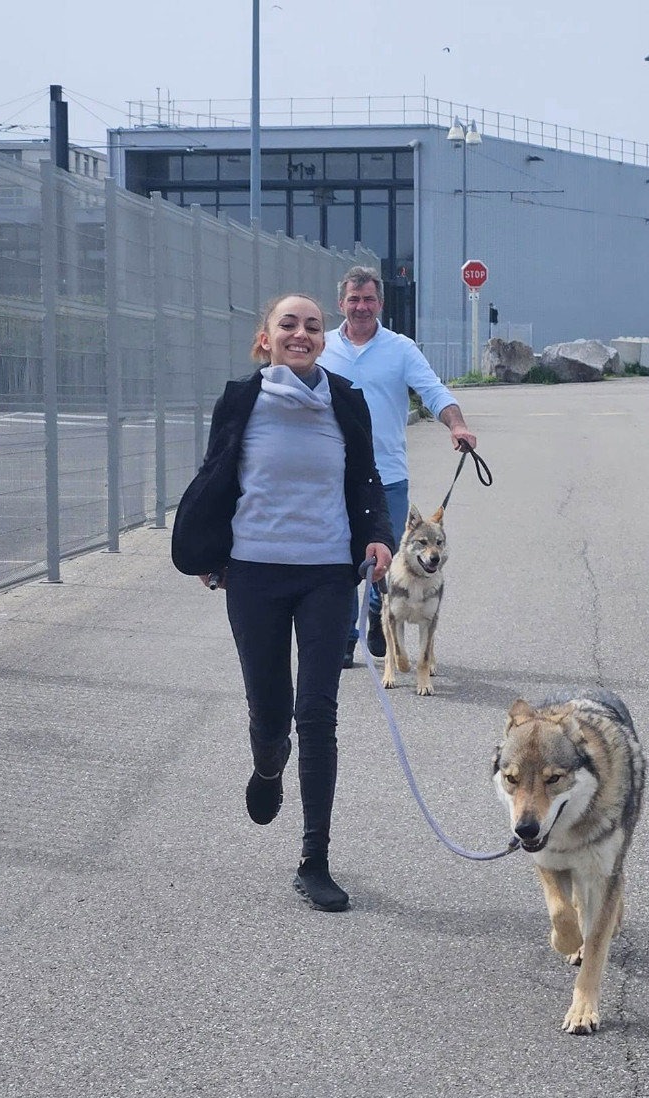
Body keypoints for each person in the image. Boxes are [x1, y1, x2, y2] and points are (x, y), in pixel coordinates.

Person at [171, 293, 395, 912]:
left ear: (324, 339)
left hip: (327, 574)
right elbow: (217, 476)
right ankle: (268, 763)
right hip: (254, 575)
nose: (302, 333)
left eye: (313, 326)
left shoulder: (344, 400)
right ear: (265, 338)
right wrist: (209, 550)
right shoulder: (240, 400)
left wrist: (377, 536)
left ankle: (314, 858)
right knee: (270, 714)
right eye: (288, 324)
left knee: (317, 713)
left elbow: (365, 479)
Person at [316, 265, 476, 666]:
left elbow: (433, 390)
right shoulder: (322, 346)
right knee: (338, 558)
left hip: (386, 475)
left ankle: (378, 611)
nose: (362, 307)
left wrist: (457, 425)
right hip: (330, 474)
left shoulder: (400, 348)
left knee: (383, 558)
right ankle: (343, 636)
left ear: (381, 304)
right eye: (354, 299)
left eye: (369, 299)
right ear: (341, 303)